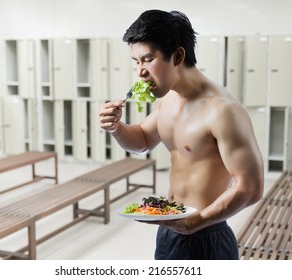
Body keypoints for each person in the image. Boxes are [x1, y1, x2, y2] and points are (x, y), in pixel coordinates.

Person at [99, 9, 264, 260]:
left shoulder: (222, 111)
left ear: (177, 55)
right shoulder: (168, 99)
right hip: (170, 231)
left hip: (206, 237)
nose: (140, 72)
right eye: (136, 62)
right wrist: (116, 128)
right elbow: (143, 140)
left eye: (148, 59)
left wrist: (196, 222)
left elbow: (250, 187)